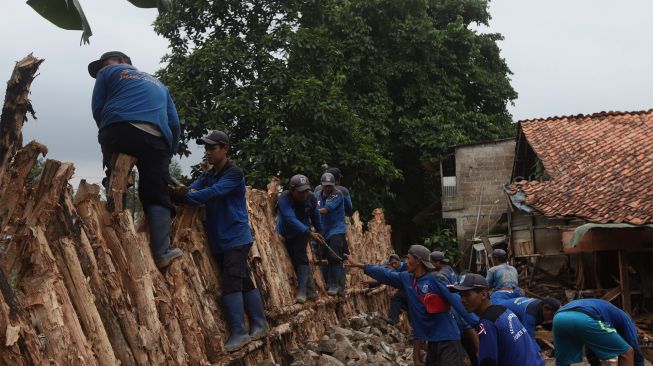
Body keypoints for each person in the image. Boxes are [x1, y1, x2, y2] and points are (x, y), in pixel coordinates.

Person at [169, 130, 268, 352]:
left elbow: (213, 193)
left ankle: (239, 332)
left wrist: (186, 196)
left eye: (212, 148)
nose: (208, 153)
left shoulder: (234, 174)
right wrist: (182, 191)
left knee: (231, 281)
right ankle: (260, 324)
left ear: (225, 149)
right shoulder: (208, 175)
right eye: (206, 149)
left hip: (235, 237)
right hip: (221, 238)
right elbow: (194, 188)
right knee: (242, 279)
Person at [89, 51, 182, 269]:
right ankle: (161, 253)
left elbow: (97, 109)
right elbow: (174, 123)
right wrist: (168, 154)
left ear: (121, 61)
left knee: (115, 178)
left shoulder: (109, 72)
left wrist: (109, 135)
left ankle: (112, 231)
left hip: (118, 127)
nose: (101, 69)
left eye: (104, 63)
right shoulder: (159, 83)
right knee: (157, 192)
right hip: (156, 137)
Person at [347, 245, 477, 366]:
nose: (406, 261)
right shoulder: (407, 279)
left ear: (418, 260)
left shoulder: (436, 279)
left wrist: (480, 324)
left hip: (449, 340)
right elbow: (385, 274)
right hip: (431, 342)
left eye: (408, 258)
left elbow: (458, 303)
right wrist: (360, 266)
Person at [450, 274, 544, 366]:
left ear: (483, 294)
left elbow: (488, 361)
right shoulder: (505, 311)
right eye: (461, 295)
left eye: (467, 295)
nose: (462, 300)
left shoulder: (488, 322)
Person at [276, 174, 325, 303]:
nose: (304, 195)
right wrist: (308, 232)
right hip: (285, 233)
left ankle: (302, 292)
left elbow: (315, 216)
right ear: (292, 190)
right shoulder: (284, 198)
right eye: (301, 192)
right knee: (292, 259)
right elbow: (289, 218)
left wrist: (320, 231)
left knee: (300, 256)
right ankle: (311, 292)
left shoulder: (311, 199)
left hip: (302, 234)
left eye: (306, 191)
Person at [553, 298, 643, 366]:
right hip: (583, 317)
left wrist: (595, 363)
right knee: (627, 352)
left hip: (559, 317)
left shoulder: (606, 312)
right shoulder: (626, 319)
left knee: (563, 362)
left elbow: (591, 343)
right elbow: (633, 346)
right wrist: (639, 363)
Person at [494, 296, 560, 354]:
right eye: (551, 315)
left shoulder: (541, 305)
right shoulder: (530, 314)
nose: (552, 318)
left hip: (511, 308)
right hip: (499, 313)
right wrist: (539, 352)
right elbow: (529, 337)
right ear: (545, 308)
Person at [317, 172, 347, 295]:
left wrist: (310, 212)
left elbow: (325, 210)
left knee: (334, 256)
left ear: (334, 184)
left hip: (337, 229)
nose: (328, 188)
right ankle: (327, 283)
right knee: (324, 257)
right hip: (324, 230)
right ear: (322, 185)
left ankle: (335, 284)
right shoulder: (317, 195)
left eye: (330, 185)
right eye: (326, 186)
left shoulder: (337, 194)